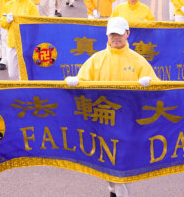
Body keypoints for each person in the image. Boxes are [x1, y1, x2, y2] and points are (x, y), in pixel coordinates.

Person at [65, 17, 159, 197]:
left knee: (122, 166)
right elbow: (83, 80)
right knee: (108, 163)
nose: (116, 37)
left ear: (127, 34)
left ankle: (119, 191)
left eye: (120, 33)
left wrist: (151, 84)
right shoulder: (96, 60)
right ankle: (113, 189)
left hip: (128, 123)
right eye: (112, 34)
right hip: (103, 122)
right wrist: (75, 83)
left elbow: (158, 88)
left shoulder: (138, 61)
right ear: (107, 35)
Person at [0, 0, 40, 80]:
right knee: (12, 74)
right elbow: (3, 24)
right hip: (12, 43)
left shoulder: (31, 5)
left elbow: (36, 24)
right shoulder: (8, 5)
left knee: (25, 73)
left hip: (26, 43)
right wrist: (7, 20)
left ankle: (24, 93)